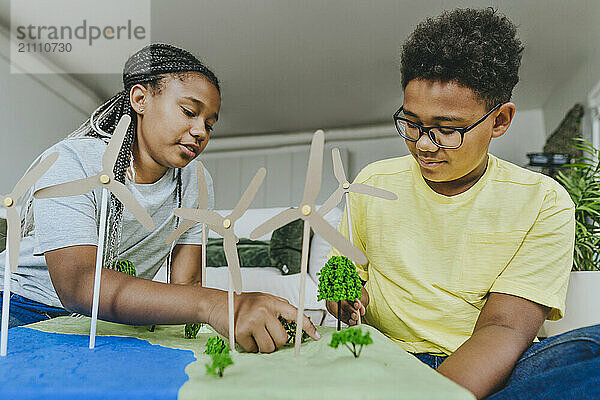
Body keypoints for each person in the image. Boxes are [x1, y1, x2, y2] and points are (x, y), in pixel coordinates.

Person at [327, 8, 599, 400]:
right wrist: (347, 297)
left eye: (447, 129)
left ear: (500, 121)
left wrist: (434, 394)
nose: (422, 144)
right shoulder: (373, 182)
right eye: (412, 122)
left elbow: (505, 328)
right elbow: (346, 275)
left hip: (498, 364)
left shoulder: (544, 201)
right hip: (389, 360)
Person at [0, 43, 319, 354]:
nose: (201, 132)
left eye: (209, 124)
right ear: (140, 99)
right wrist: (217, 303)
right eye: (189, 112)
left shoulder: (195, 180)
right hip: (18, 303)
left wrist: (241, 311)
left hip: (101, 319)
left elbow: (188, 289)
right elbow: (79, 286)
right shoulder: (73, 161)